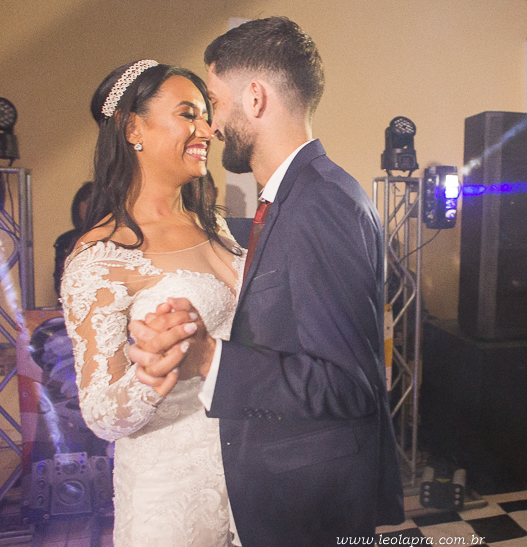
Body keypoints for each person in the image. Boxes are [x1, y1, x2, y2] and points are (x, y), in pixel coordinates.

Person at [128, 17, 405, 546]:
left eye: (214, 102)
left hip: (312, 503)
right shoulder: (291, 198)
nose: (210, 126)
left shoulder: (320, 204)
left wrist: (209, 358)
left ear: (254, 98)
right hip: (287, 488)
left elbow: (350, 384)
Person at [60, 60, 243, 546]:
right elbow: (101, 415)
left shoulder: (215, 226)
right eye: (188, 114)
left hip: (249, 478)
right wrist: (150, 376)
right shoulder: (101, 257)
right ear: (132, 128)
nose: (207, 130)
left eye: (206, 116)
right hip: (172, 495)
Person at [53, 181, 92, 295]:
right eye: (86, 203)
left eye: (92, 204)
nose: (88, 208)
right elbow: (59, 283)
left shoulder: (114, 239)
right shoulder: (65, 240)